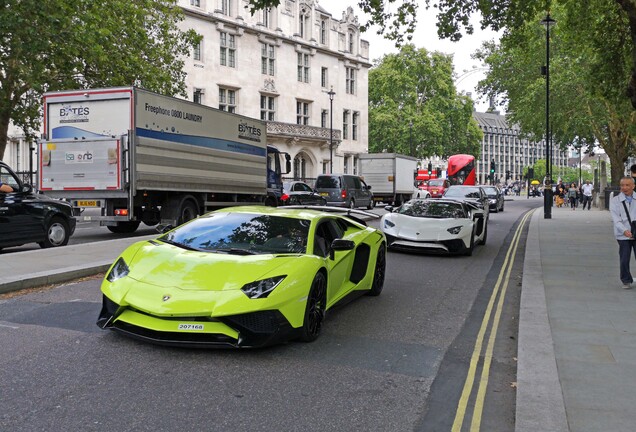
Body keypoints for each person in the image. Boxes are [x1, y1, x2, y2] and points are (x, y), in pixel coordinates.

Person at [610, 177, 636, 289]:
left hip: (635, 231)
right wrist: (624, 230)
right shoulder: (615, 200)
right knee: (624, 257)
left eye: (627, 185)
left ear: (633, 186)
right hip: (622, 234)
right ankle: (626, 279)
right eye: (622, 185)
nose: (624, 188)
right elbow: (616, 219)